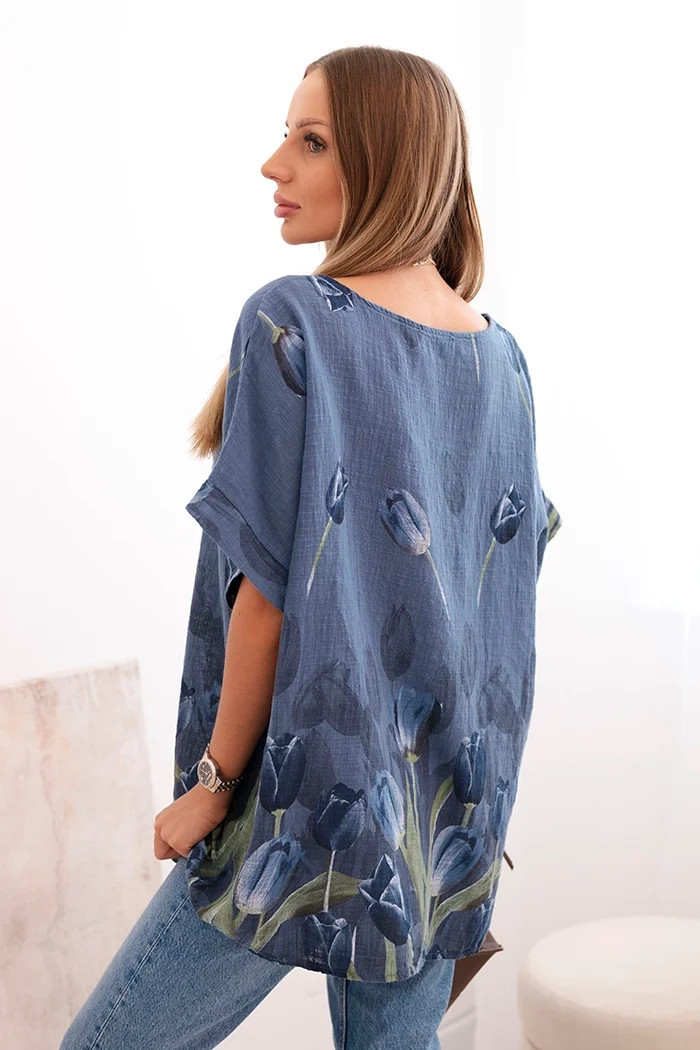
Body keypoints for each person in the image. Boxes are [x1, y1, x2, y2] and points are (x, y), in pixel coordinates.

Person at [60, 45, 561, 1050]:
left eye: (312, 141)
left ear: (386, 158)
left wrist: (211, 787)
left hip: (301, 802)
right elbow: (500, 598)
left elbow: (269, 596)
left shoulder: (291, 323)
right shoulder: (501, 357)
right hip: (446, 810)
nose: (274, 164)